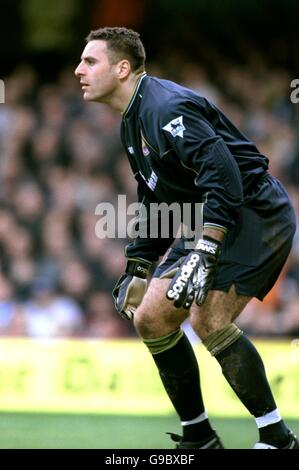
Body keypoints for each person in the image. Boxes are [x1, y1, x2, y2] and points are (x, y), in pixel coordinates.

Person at [75, 27, 298, 449]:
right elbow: (155, 194)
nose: (78, 70)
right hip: (210, 215)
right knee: (151, 318)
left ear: (123, 69)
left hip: (252, 211)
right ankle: (200, 437)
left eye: (90, 61)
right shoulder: (132, 119)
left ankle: (277, 437)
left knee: (208, 318)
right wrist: (139, 264)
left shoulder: (165, 108)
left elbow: (225, 176)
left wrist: (207, 246)